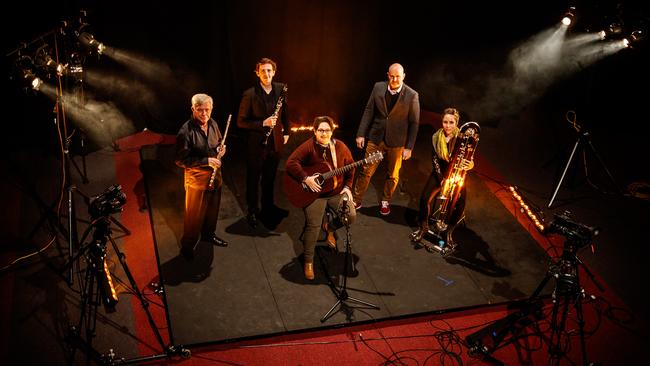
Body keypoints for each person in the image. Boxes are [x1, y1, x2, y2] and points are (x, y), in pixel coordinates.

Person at [285, 116, 356, 280]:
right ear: (315, 132)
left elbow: (351, 169)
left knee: (350, 216)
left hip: (335, 192)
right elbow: (291, 163)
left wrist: (347, 187)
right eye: (321, 130)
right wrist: (305, 178)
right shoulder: (309, 146)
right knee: (313, 227)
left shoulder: (340, 147)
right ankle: (308, 261)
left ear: (332, 131)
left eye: (327, 130)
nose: (324, 133)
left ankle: (330, 227)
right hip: (314, 195)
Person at [352, 63, 420, 216]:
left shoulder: (412, 95)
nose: (395, 79)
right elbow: (369, 110)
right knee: (366, 170)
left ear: (403, 76)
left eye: (398, 76)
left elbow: (414, 123)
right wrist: (361, 133)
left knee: (393, 175)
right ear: (388, 75)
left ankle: (385, 201)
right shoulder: (378, 87)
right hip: (376, 137)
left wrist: (409, 147)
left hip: (397, 142)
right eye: (392, 76)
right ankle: (356, 199)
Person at [237, 57, 290, 229]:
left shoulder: (281, 88)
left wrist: (287, 131)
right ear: (257, 73)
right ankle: (252, 210)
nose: (266, 74)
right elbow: (241, 122)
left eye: (269, 70)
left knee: (270, 178)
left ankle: (268, 207)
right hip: (256, 144)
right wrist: (262, 124)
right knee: (253, 179)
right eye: (263, 71)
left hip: (275, 142)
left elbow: (285, 111)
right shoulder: (249, 94)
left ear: (274, 72)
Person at [175, 93, 228, 260]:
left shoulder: (213, 124)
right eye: (200, 110)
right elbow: (180, 160)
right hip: (196, 181)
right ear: (193, 109)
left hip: (215, 177)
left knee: (212, 211)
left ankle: (208, 235)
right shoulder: (185, 132)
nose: (204, 114)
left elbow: (218, 143)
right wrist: (207, 160)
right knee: (193, 216)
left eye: (207, 110)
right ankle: (187, 246)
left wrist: (221, 149)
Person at [409, 107, 474, 245]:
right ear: (441, 121)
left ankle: (449, 232)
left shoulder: (463, 138)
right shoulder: (436, 137)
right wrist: (442, 180)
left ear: (456, 123)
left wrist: (470, 164)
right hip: (441, 173)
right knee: (424, 199)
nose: (448, 126)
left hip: (457, 175)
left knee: (460, 204)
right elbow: (435, 161)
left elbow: (470, 157)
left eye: (451, 122)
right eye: (445, 122)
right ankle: (424, 227)